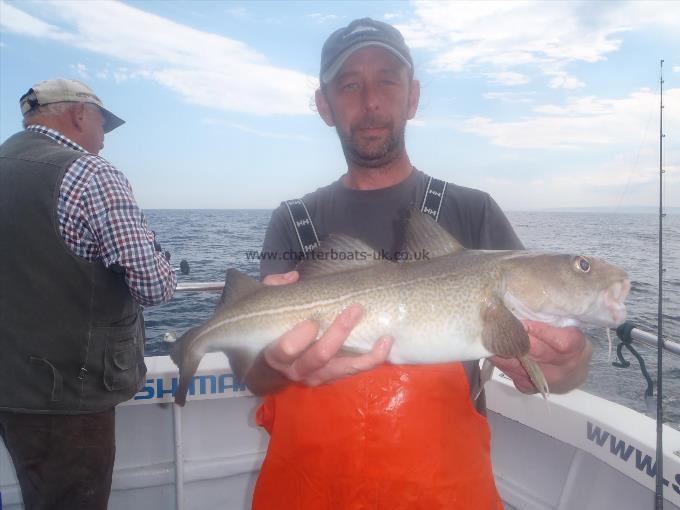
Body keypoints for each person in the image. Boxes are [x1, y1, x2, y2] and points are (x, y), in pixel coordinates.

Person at [242, 18, 592, 509]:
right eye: (349, 85)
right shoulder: (293, 221)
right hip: (309, 491)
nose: (370, 102)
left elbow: (544, 368)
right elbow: (259, 376)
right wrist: (276, 366)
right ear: (324, 105)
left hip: (443, 493)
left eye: (387, 79)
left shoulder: (474, 213)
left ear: (413, 96)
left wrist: (567, 366)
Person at [0, 78, 176, 510]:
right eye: (103, 126)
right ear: (80, 114)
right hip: (67, 394)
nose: (103, 141)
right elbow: (154, 287)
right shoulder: (91, 173)